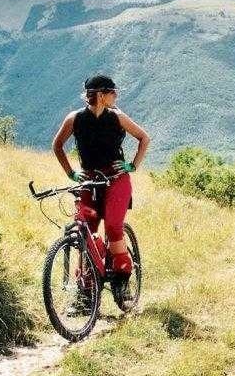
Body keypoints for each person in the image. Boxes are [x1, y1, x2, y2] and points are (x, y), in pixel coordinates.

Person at [52, 74, 150, 305]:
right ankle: (84, 290)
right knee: (85, 230)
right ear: (100, 95)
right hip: (89, 180)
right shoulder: (74, 119)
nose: (116, 95)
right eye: (113, 92)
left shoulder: (117, 117)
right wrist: (71, 173)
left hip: (117, 179)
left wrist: (132, 165)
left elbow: (144, 138)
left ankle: (122, 279)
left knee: (114, 227)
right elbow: (57, 146)